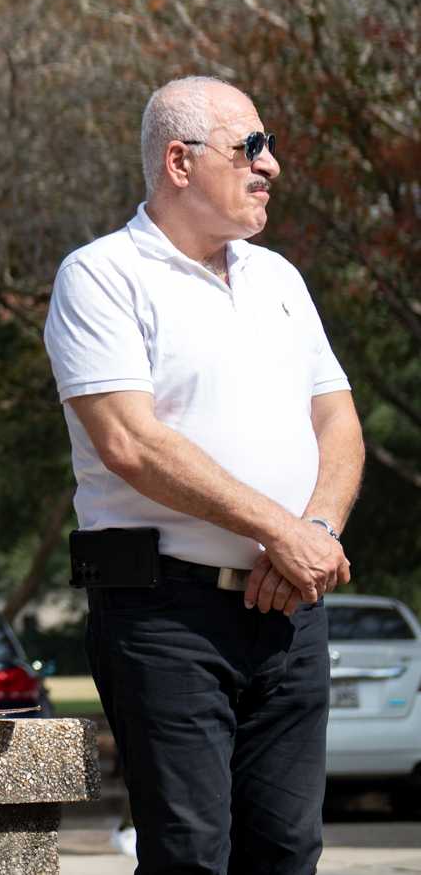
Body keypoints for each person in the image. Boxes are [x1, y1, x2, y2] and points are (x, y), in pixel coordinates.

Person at [44, 76, 363, 874]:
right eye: (252, 146)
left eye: (271, 146)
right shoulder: (101, 275)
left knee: (289, 851)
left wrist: (314, 533)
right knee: (190, 855)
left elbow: (338, 422)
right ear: (179, 162)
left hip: (293, 611)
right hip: (166, 616)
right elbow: (131, 442)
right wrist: (279, 530)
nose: (273, 165)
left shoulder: (279, 278)